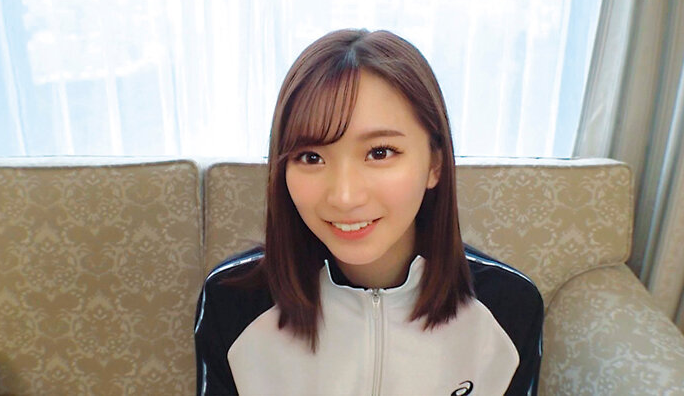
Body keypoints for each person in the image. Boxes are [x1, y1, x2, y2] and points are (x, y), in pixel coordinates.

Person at [194, 29, 543, 395]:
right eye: (311, 157)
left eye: (379, 153)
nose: (345, 197)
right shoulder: (231, 301)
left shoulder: (509, 306)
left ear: (435, 163)